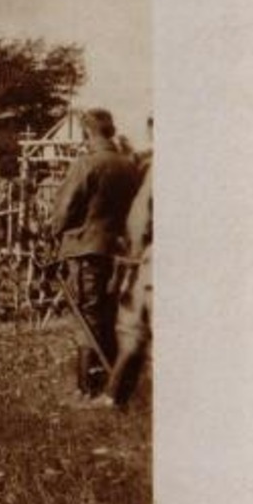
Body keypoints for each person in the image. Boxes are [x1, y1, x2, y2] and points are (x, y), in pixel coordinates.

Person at [51, 108, 142, 401]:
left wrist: (53, 231)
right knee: (109, 312)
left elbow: (65, 209)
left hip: (86, 248)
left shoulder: (86, 164)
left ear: (87, 132)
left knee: (87, 316)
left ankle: (86, 388)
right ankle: (111, 384)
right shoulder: (129, 166)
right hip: (118, 250)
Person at [103, 126, 154, 409]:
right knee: (135, 330)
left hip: (150, 258)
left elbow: (140, 220)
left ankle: (114, 397)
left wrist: (131, 258)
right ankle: (114, 396)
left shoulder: (153, 172)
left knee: (135, 327)